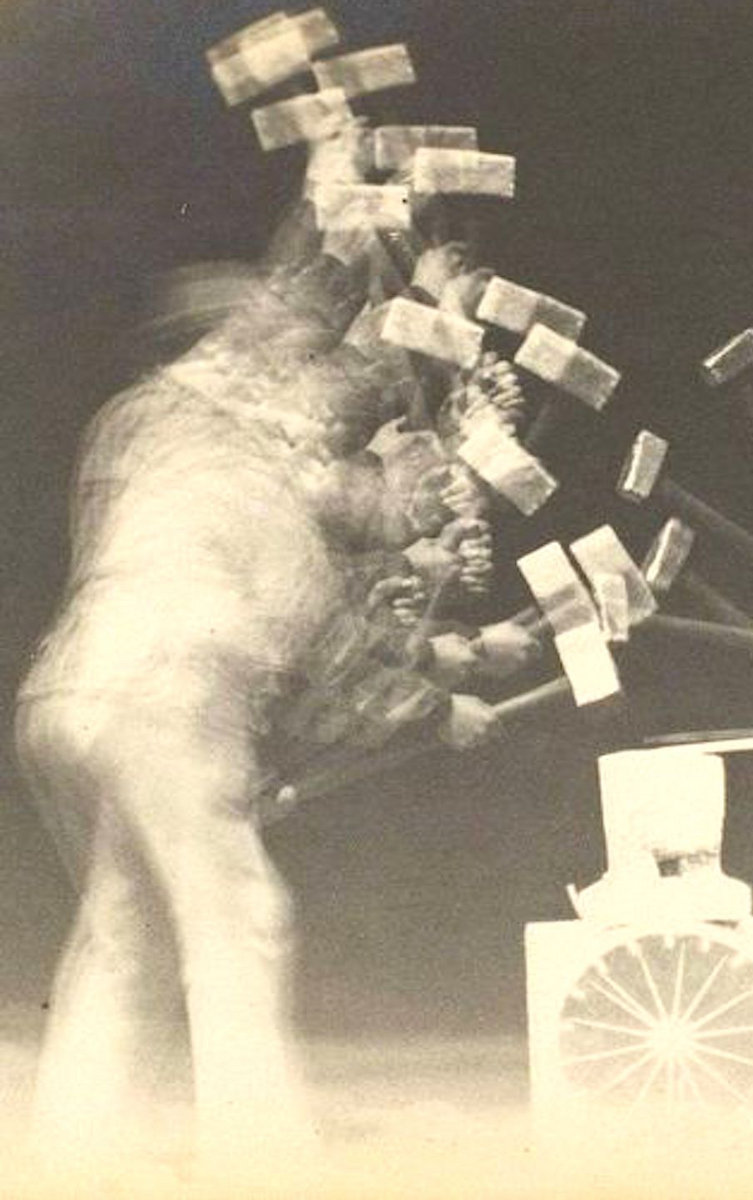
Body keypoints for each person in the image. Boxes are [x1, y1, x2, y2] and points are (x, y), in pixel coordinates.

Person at [11, 192, 523, 1188]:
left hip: (72, 694)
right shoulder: (276, 481)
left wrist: (451, 652)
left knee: (128, 933)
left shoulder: (170, 428)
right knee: (239, 918)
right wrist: (442, 703)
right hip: (164, 697)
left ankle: (72, 1159)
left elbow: (339, 575)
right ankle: (261, 1167)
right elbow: (331, 647)